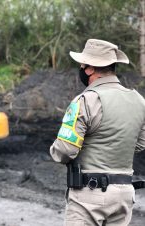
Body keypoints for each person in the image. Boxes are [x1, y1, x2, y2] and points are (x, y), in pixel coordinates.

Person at [50, 39, 145, 226]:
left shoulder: (86, 101)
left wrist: (55, 151)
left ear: (90, 69)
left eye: (82, 65)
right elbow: (140, 144)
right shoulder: (139, 100)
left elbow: (65, 150)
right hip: (124, 194)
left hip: (89, 195)